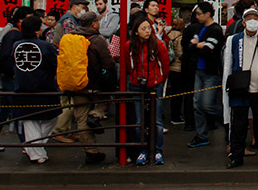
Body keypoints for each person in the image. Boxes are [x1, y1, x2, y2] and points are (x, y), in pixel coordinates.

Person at [222, 8, 258, 168]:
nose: (252, 22)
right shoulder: (233, 40)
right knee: (238, 125)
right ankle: (236, 156)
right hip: (240, 89)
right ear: (244, 22)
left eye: (256, 19)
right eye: (249, 19)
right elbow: (227, 66)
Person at [60, 11, 116, 165]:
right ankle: (96, 115)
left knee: (81, 119)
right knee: (104, 102)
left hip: (77, 84)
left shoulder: (72, 37)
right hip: (95, 85)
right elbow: (108, 63)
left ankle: (91, 152)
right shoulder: (97, 40)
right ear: (93, 24)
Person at [12, 15, 61, 164]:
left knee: (29, 121)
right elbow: (55, 65)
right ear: (36, 30)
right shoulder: (45, 46)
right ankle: (36, 151)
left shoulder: (16, 45)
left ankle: (34, 149)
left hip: (22, 87)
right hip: (44, 87)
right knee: (52, 116)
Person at [124, 15, 170, 165]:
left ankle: (158, 150)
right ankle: (142, 151)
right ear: (136, 31)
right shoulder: (129, 45)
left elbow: (165, 64)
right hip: (136, 84)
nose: (147, 31)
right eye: (143, 28)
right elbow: (128, 65)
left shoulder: (158, 44)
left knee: (157, 121)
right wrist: (135, 77)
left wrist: (159, 79)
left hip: (154, 84)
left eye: (148, 28)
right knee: (139, 121)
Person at [0, 6, 33, 149]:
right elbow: (6, 58)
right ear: (21, 20)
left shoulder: (14, 33)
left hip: (7, 77)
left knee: (5, 110)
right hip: (10, 78)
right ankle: (26, 145)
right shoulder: (14, 35)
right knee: (17, 111)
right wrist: (14, 72)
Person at [187, 2, 225, 148]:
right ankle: (201, 135)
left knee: (208, 104)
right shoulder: (201, 28)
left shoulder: (215, 30)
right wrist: (199, 45)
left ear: (208, 14)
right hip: (199, 70)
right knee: (197, 105)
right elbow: (191, 45)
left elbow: (206, 49)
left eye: (199, 13)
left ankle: (229, 120)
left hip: (211, 72)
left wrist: (197, 45)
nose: (197, 16)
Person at [167, 18, 186, 125]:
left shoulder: (168, 35)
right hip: (178, 67)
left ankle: (173, 115)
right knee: (178, 94)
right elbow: (180, 53)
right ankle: (176, 117)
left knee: (173, 92)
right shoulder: (180, 37)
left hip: (170, 67)